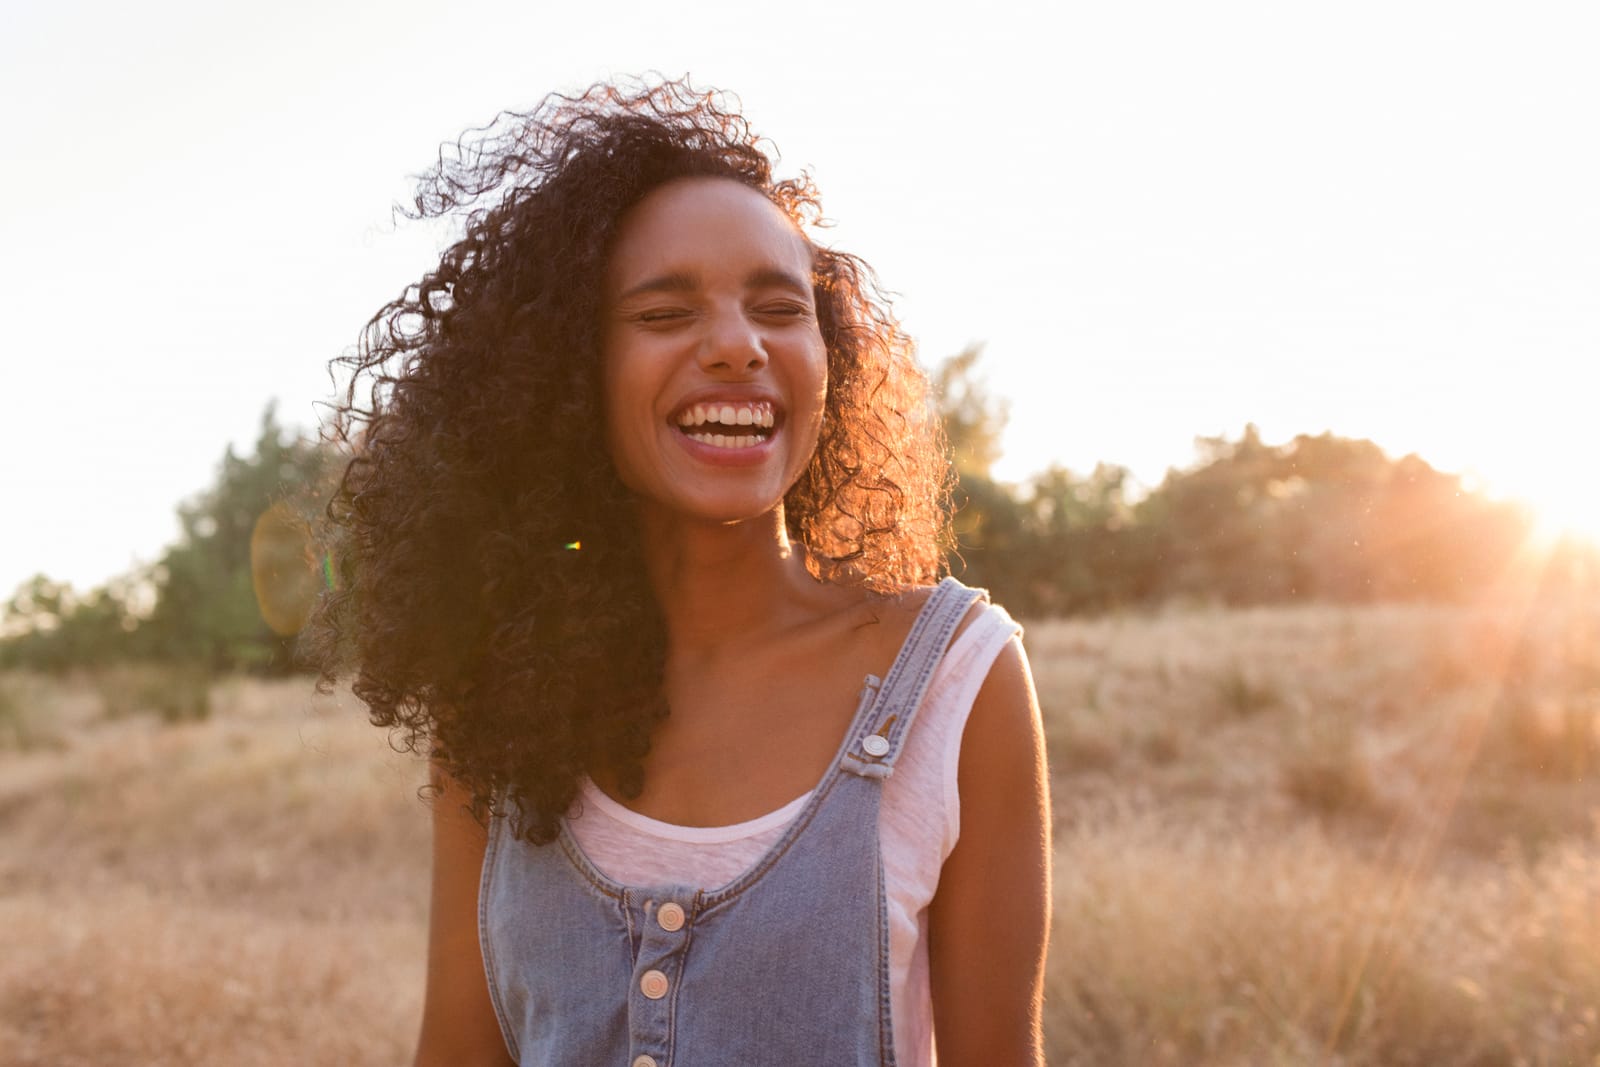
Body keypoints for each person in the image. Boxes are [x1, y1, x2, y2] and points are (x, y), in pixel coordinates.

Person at [308, 77, 1050, 1067]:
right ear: (569, 370)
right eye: (664, 313)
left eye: (778, 308)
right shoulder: (494, 697)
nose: (739, 346)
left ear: (825, 358)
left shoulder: (957, 678)